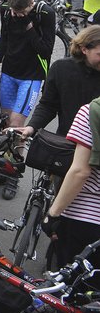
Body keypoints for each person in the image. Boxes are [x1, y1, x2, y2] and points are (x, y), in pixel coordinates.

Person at [0, 0, 56, 199]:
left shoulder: (44, 13)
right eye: (14, 11)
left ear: (31, 4)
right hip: (10, 73)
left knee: (17, 126)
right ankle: (4, 168)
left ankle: (14, 175)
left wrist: (30, 27)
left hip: (31, 76)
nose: (17, 15)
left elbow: (46, 50)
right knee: (5, 123)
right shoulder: (6, 10)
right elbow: (4, 38)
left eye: (21, 12)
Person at [16, 26, 100, 142]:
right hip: (67, 144)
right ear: (84, 49)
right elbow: (48, 105)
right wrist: (31, 127)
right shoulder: (61, 69)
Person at [42, 99, 100, 268]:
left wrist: (52, 214)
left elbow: (80, 171)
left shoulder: (92, 112)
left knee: (71, 288)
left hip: (86, 218)